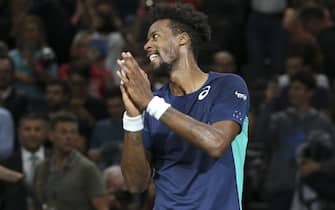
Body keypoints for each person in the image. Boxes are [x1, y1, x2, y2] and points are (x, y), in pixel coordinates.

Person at [116, 3, 249, 210]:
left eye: (155, 36)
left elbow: (215, 143)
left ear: (182, 39)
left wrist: (150, 103)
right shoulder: (154, 102)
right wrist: (132, 117)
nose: (147, 45)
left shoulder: (227, 85)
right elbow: (136, 185)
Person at [34, 112, 108, 210]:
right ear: (51, 135)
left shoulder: (87, 168)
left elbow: (102, 207)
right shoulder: (42, 167)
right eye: (63, 132)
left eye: (73, 132)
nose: (69, 137)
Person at [0, 113, 49, 210]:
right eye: (27, 129)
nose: (32, 134)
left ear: (46, 133)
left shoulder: (56, 160)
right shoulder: (5, 166)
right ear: (18, 132)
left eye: (37, 129)